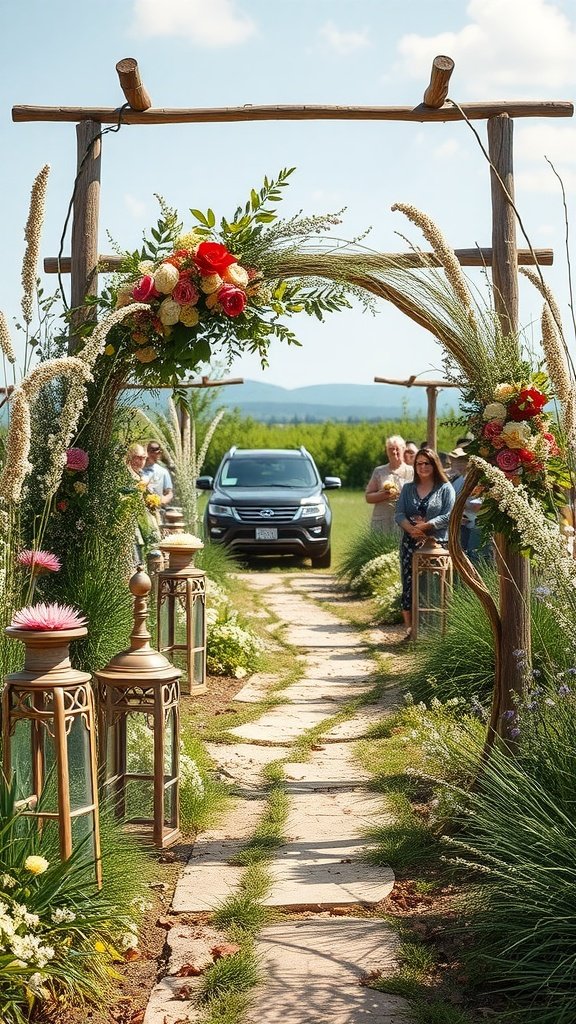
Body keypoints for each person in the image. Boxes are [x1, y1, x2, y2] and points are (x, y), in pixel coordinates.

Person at [395, 447, 455, 640]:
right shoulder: (408, 488)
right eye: (419, 463)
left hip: (437, 544)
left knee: (435, 587)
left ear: (434, 465)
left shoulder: (445, 489)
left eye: (426, 463)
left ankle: (436, 631)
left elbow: (448, 515)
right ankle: (411, 631)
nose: (422, 467)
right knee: (410, 584)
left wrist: (426, 526)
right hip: (410, 543)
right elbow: (399, 513)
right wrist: (411, 529)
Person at [365, 435, 413, 533]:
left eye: (397, 449)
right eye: (391, 449)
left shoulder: (411, 471)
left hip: (404, 521)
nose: (394, 452)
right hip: (382, 520)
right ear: (386, 451)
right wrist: (385, 494)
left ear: (403, 449)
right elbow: (368, 497)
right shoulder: (379, 471)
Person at [141, 441, 174, 509]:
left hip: (155, 509)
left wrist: (164, 499)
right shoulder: (138, 469)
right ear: (147, 453)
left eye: (159, 453)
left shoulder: (163, 471)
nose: (157, 455)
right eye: (153, 453)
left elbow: (169, 493)